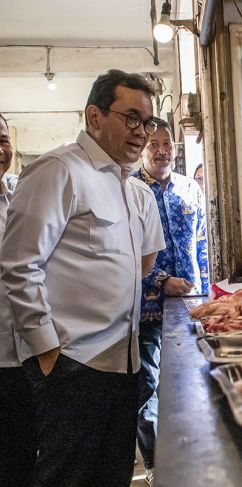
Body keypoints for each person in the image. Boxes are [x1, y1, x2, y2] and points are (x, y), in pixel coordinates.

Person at [0, 70, 166, 487]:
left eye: (147, 122)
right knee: (68, 476)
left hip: (121, 362)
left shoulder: (126, 184)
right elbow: (20, 265)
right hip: (74, 365)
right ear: (94, 116)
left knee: (110, 474)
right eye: (131, 117)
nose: (141, 132)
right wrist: (47, 352)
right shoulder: (58, 170)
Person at [132, 117, 209, 479]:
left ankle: (188, 458)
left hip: (190, 307)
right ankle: (154, 466)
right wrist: (161, 281)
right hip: (147, 309)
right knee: (148, 390)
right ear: (142, 149)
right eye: (153, 144)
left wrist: (206, 292)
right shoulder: (130, 190)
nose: (162, 150)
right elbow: (123, 251)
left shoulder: (188, 189)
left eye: (168, 144)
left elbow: (202, 245)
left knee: (188, 385)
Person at [0, 113, 34, 487]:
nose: (0, 148)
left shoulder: (19, 203)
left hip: (24, 358)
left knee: (23, 457)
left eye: (4, 139)